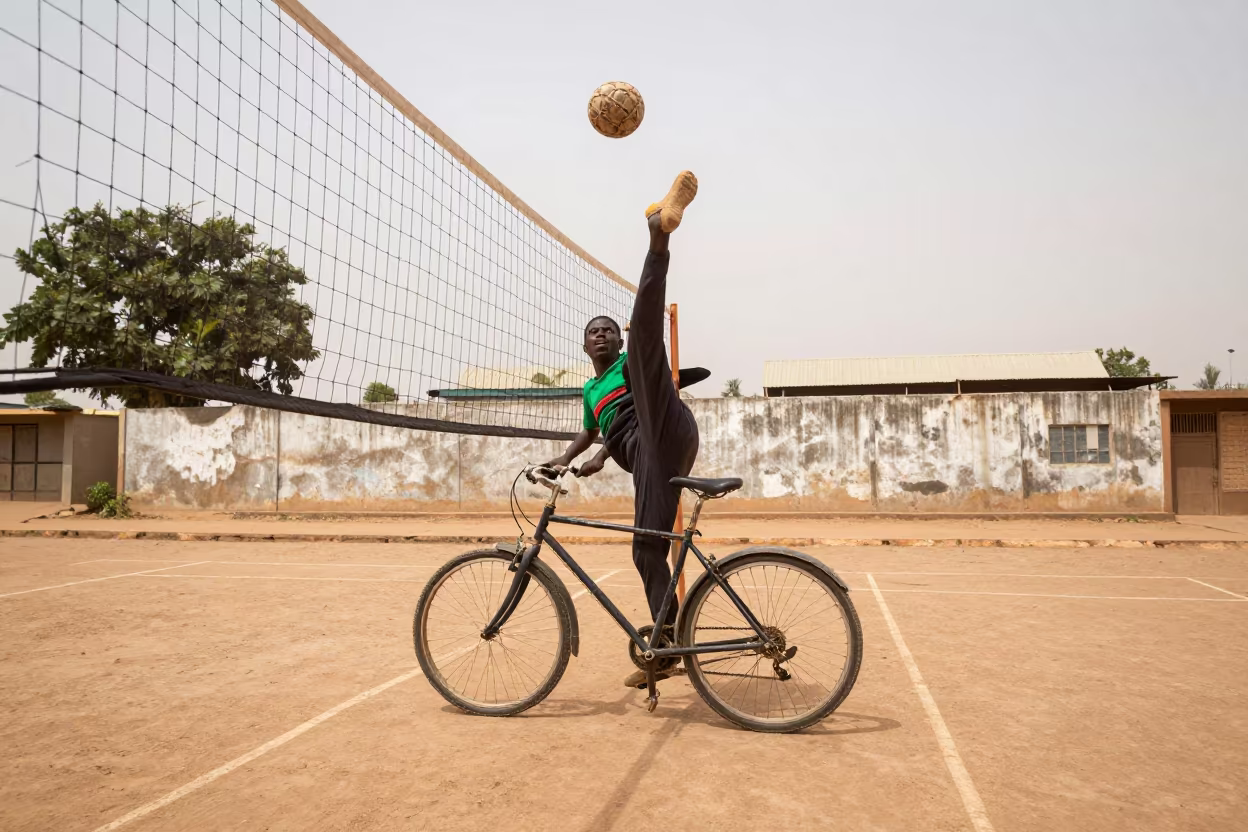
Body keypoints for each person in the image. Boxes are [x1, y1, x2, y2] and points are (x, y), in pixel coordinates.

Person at [545, 171, 700, 689]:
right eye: (594, 331)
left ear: (616, 340)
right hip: (649, 454)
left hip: (659, 426)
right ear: (585, 346)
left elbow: (631, 411)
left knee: (648, 342)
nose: (603, 334)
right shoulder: (590, 393)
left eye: (610, 329)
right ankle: (668, 644)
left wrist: (609, 446)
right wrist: (570, 461)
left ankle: (660, 236)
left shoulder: (627, 365)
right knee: (645, 548)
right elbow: (594, 434)